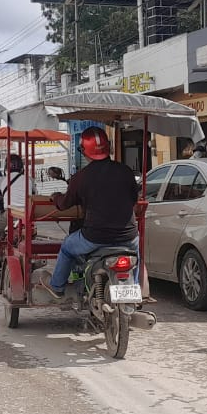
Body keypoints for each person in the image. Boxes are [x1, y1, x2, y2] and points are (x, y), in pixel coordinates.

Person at [38, 127, 140, 299]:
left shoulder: (81, 177)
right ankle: (136, 289)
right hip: (128, 237)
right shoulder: (126, 171)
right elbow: (133, 200)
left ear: (84, 151)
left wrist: (55, 197)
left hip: (94, 238)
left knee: (67, 247)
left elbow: (63, 204)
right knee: (136, 256)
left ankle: (57, 287)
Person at [0, 154, 28, 265]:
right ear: (22, 167)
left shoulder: (1, 180)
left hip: (11, 214)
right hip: (27, 216)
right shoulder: (29, 180)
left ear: (6, 168)